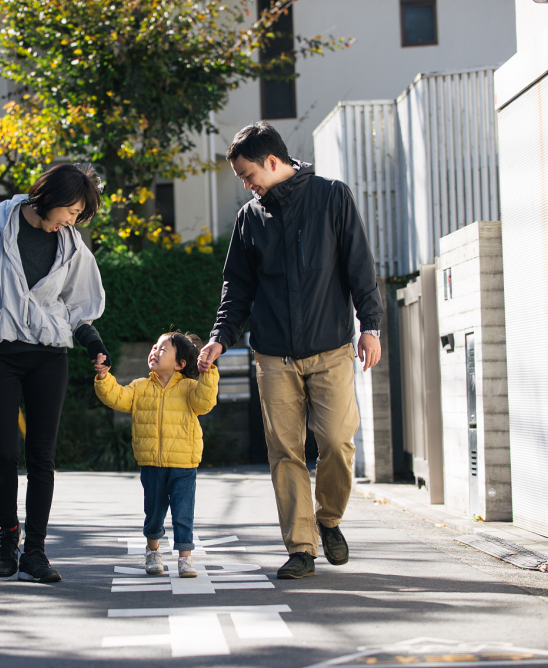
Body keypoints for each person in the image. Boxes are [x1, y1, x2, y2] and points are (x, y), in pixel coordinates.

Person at [198, 122, 383, 580]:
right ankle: (301, 547)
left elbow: (359, 265)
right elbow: (236, 288)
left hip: (332, 348)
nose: (245, 184)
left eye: (247, 175)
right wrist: (221, 336)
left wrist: (371, 325)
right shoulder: (250, 218)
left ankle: (328, 520)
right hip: (273, 355)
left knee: (338, 443)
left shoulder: (332, 197)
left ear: (272, 162)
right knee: (286, 452)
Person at [0, 164, 111, 584]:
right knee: (3, 451)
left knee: (42, 456)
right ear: (49, 196)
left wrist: (91, 341)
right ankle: (7, 538)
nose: (72, 222)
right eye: (71, 211)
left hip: (48, 357)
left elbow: (79, 301)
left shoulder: (71, 244)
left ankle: (35, 551)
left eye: (78, 216)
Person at [94, 332, 219, 578]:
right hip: (151, 462)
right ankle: (153, 550)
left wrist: (208, 373)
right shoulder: (140, 386)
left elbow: (205, 402)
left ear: (180, 364)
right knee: (154, 511)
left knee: (183, 512)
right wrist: (103, 377)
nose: (154, 351)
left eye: (162, 349)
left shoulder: (190, 387)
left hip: (184, 462)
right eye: (154, 347)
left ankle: (185, 557)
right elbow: (117, 397)